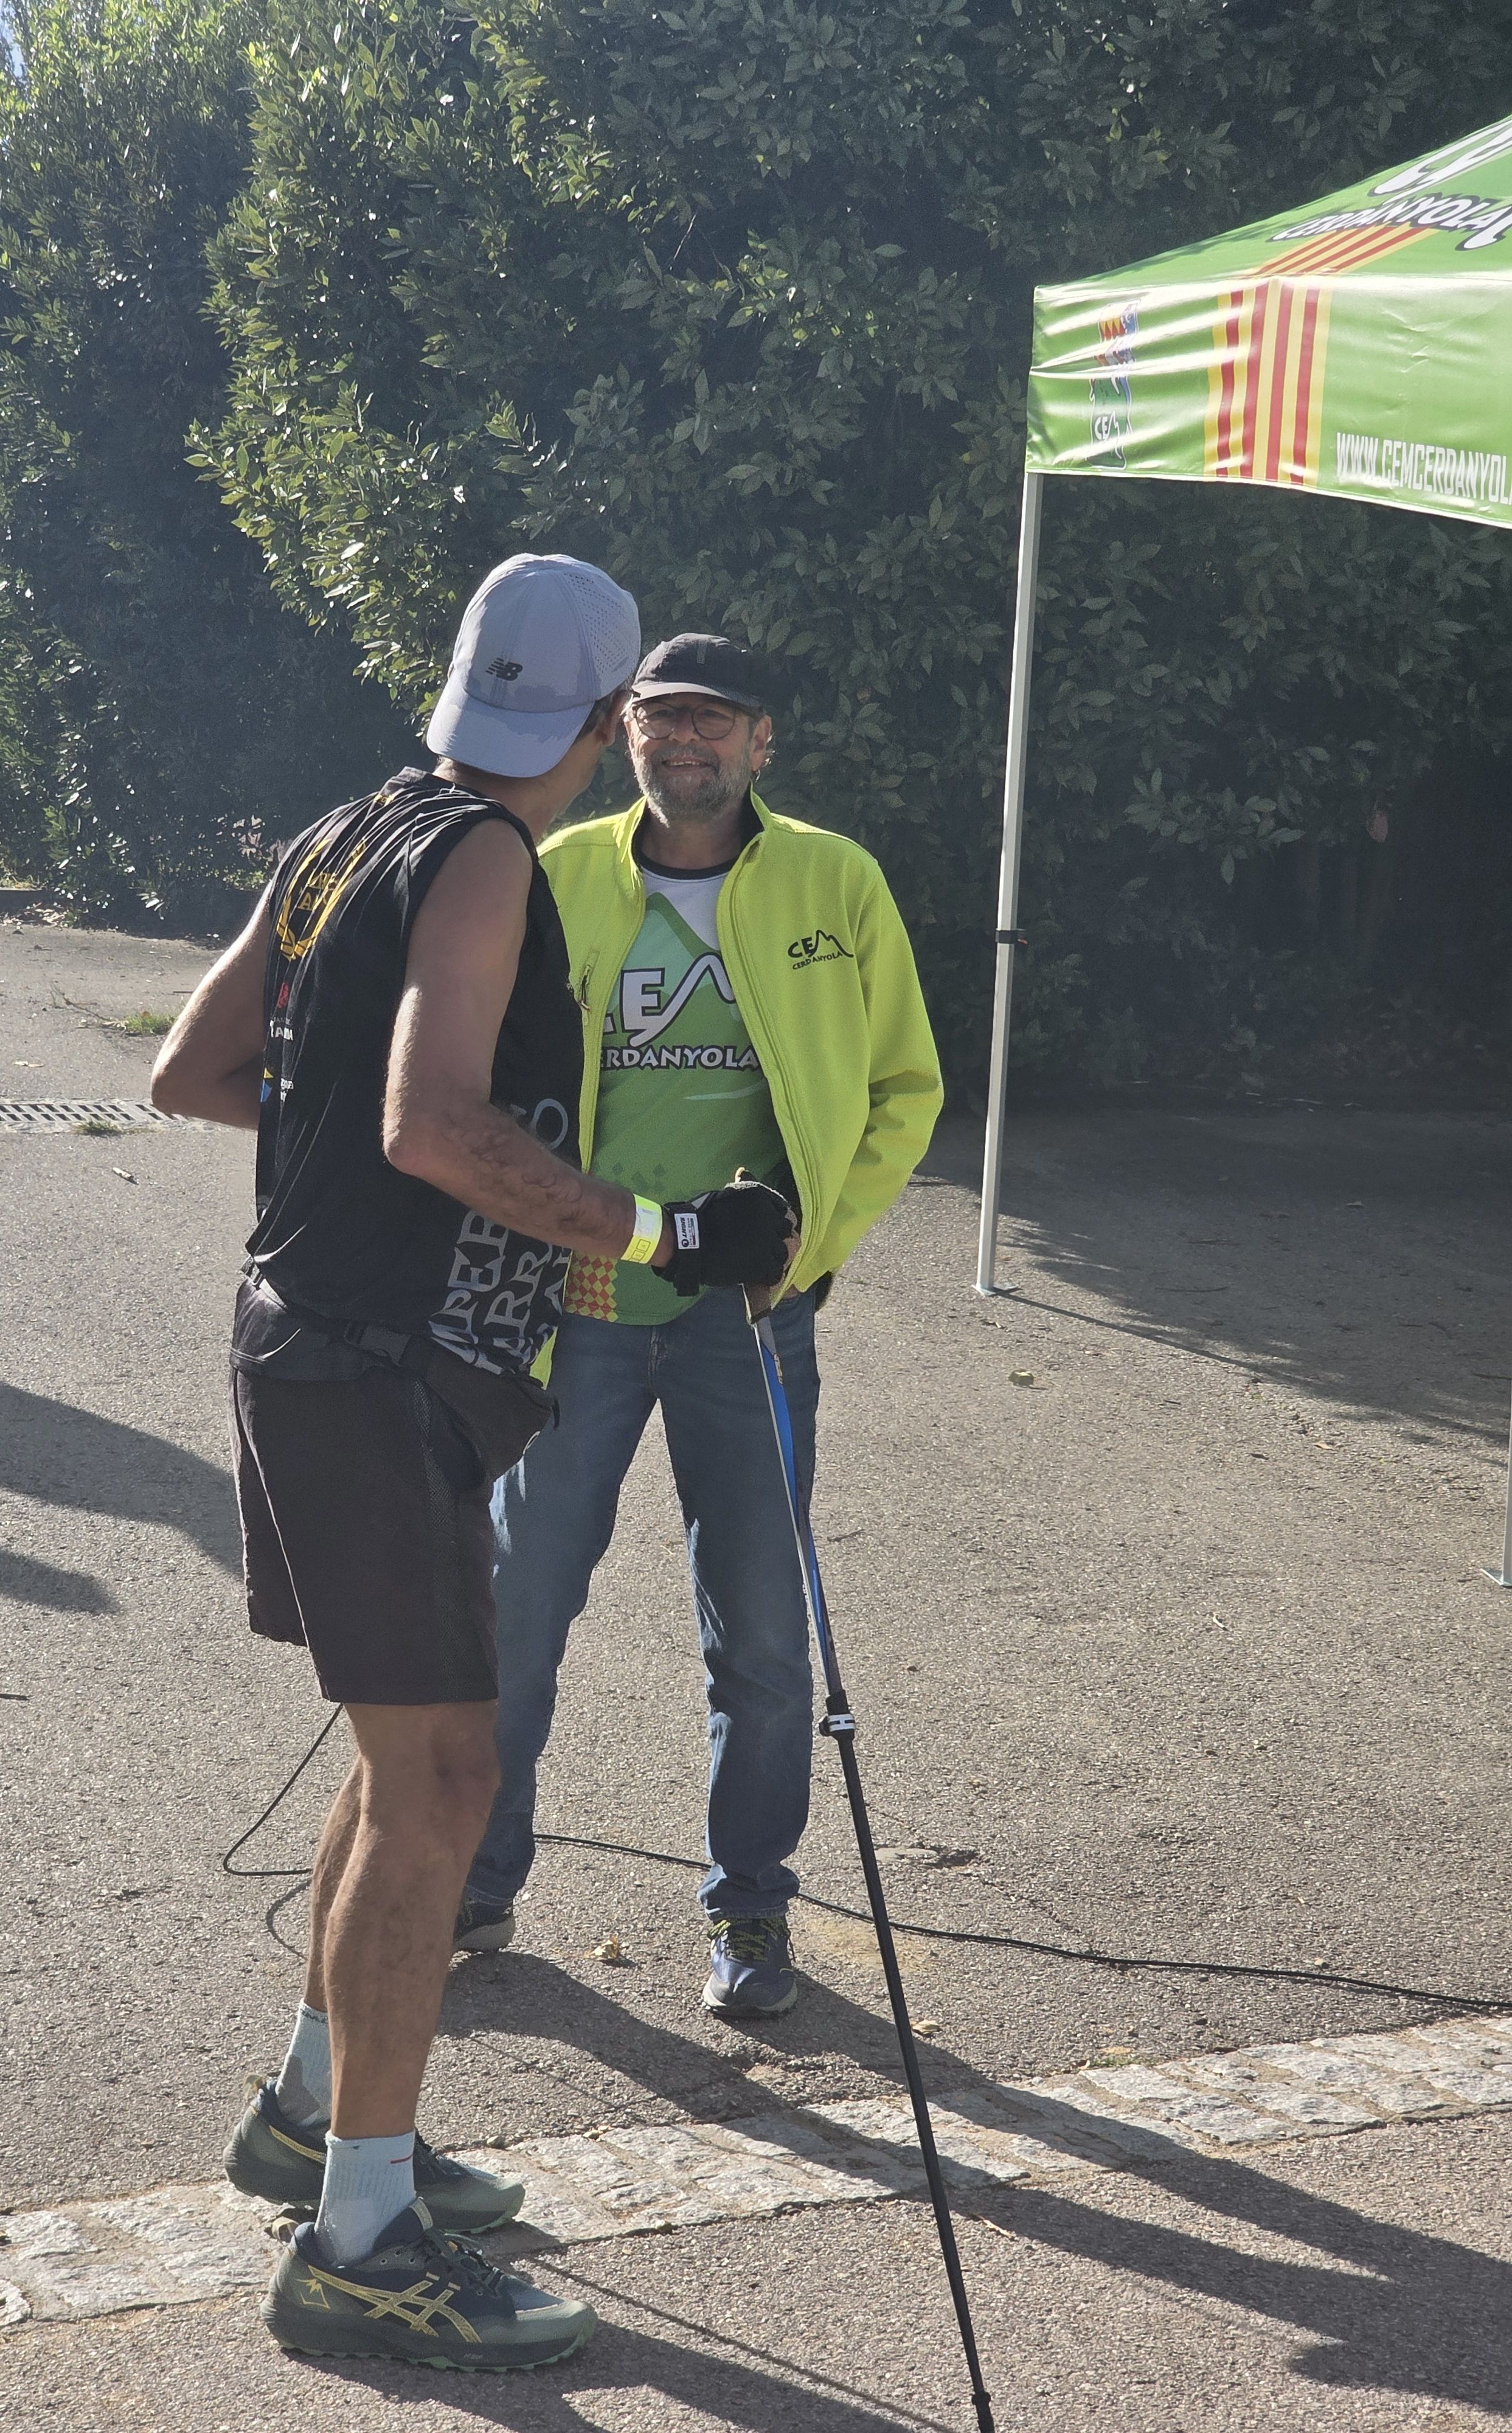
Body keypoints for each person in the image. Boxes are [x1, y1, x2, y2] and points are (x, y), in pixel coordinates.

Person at [149, 563, 794, 2371]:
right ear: (599, 726)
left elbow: (199, 1073)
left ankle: (312, 2120)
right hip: (374, 1374)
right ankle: (360, 2240)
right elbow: (431, 1124)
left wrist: (357, 1148)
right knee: (442, 1778)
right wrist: (667, 1226)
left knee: (399, 1761)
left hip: (314, 1345)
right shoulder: (494, 858)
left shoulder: (351, 830)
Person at [455, 631, 944, 2019]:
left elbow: (905, 1086)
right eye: (662, 720)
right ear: (624, 734)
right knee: (518, 1610)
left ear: (762, 741)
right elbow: (486, 1082)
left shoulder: (833, 881)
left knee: (766, 1638)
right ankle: (480, 1877)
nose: (687, 744)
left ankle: (751, 1908)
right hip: (581, 1314)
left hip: (748, 1321)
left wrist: (810, 1246)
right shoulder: (553, 875)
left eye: (713, 722)